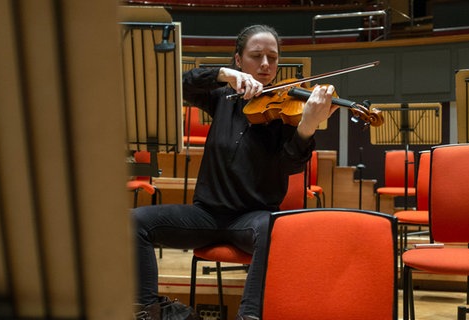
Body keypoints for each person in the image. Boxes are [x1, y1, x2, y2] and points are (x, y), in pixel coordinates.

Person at [133, 24, 338, 320]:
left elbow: (292, 166)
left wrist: (307, 127)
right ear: (239, 60)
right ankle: (152, 312)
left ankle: (249, 317)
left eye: (272, 57)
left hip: (252, 219)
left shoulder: (287, 111)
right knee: (134, 221)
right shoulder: (221, 97)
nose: (266, 64)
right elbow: (177, 83)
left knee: (275, 228)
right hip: (205, 216)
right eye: (256, 56)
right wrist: (222, 74)